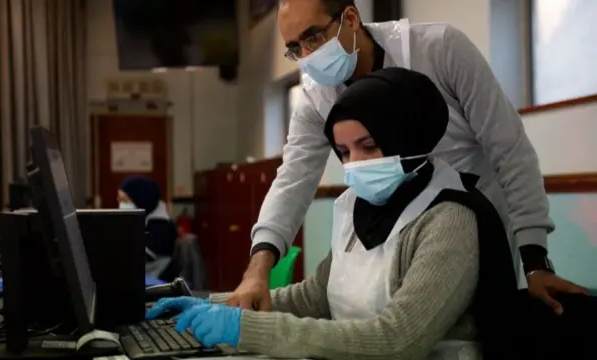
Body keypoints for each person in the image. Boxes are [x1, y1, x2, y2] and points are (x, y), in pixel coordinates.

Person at [230, 0, 587, 313]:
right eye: (295, 48)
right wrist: (257, 270)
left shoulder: (439, 49)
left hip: (475, 231)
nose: (307, 57)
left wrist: (535, 261)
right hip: (396, 240)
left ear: (351, 18)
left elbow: (510, 151)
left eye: (314, 37)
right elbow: (292, 180)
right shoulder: (316, 99)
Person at [146, 68, 522, 360]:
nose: (354, 165)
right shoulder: (360, 208)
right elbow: (317, 296)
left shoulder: (449, 219)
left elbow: (397, 340)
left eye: (369, 146)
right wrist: (213, 303)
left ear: (409, 137)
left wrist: (248, 329)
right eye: (343, 152)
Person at [118, 175, 178, 281]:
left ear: (140, 199)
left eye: (126, 200)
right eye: (120, 199)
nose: (121, 204)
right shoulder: (142, 219)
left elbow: (142, 255)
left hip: (158, 279)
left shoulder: (162, 226)